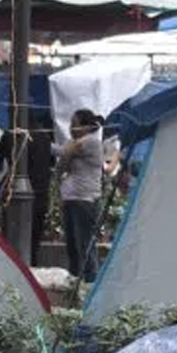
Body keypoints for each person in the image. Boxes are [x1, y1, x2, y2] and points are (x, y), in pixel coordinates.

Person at [54, 109, 118, 282]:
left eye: (74, 124)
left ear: (85, 127)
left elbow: (61, 153)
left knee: (84, 244)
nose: (70, 128)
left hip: (85, 200)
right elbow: (62, 164)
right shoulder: (73, 144)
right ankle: (75, 280)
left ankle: (90, 280)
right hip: (71, 199)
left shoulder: (91, 142)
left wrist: (38, 142)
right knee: (72, 245)